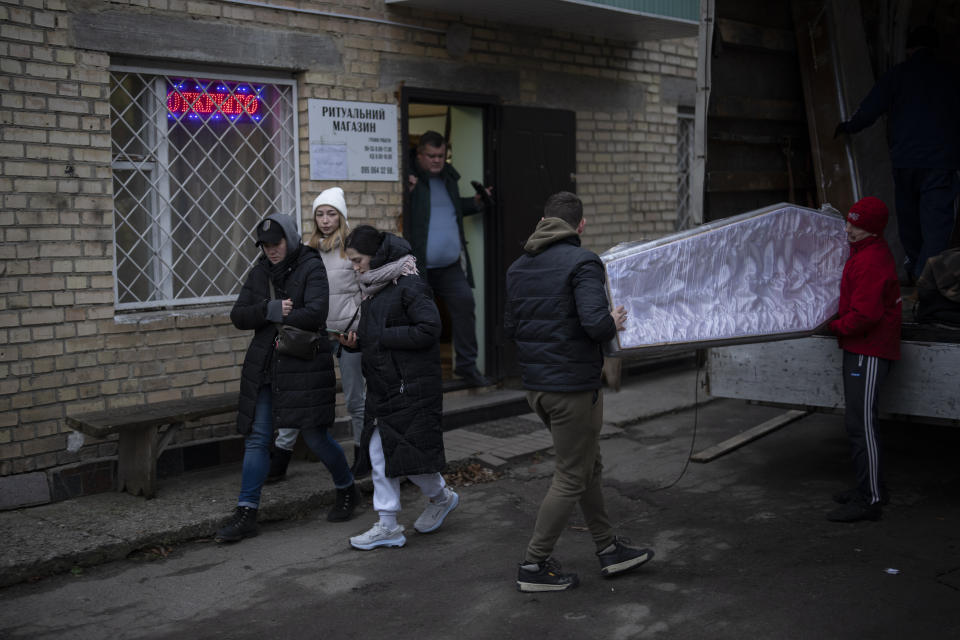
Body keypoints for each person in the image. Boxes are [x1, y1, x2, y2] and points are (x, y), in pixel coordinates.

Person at [504, 192, 654, 592]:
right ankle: (533, 566)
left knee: (589, 466)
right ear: (580, 226)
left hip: (537, 388)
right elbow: (594, 324)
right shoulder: (583, 261)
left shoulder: (518, 266)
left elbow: (509, 327)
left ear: (543, 221)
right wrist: (612, 319)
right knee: (572, 475)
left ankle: (608, 549)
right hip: (571, 388)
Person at [215, 213, 360, 543]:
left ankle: (348, 488)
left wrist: (286, 313)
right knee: (256, 437)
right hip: (266, 366)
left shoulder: (311, 265)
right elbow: (239, 315)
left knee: (315, 436)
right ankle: (247, 512)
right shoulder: (259, 272)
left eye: (276, 243)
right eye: (264, 245)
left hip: (302, 364)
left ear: (291, 239)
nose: (271, 251)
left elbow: (317, 312)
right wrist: (271, 309)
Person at [337, 225, 459, 550]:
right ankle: (397, 519)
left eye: (358, 259)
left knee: (399, 454)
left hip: (411, 387)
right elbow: (375, 336)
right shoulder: (375, 288)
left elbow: (430, 328)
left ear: (376, 256)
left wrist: (382, 338)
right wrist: (354, 344)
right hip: (385, 386)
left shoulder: (409, 284)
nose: (355, 266)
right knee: (384, 453)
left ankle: (424, 505)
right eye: (351, 261)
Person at [834, 25, 960, 283]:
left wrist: (848, 126)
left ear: (909, 50)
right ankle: (926, 286)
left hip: (905, 162)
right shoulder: (951, 76)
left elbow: (869, 109)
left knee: (910, 224)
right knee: (936, 225)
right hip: (940, 163)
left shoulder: (898, 74)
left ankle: (915, 271)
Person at [266, 187, 367, 482]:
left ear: (341, 216)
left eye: (331, 213)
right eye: (320, 214)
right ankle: (280, 457)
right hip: (314, 337)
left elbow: (365, 293)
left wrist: (359, 329)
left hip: (348, 336)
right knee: (299, 396)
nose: (325, 220)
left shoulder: (351, 248)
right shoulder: (306, 251)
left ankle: (362, 457)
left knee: (355, 400)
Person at [826, 196, 902, 523]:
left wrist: (834, 326)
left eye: (856, 225)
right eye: (848, 222)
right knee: (858, 422)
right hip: (860, 348)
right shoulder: (863, 253)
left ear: (871, 228)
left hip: (869, 351)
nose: (849, 229)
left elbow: (866, 315)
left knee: (862, 426)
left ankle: (870, 500)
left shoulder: (871, 260)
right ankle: (869, 488)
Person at [407, 130, 492, 387]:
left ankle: (467, 367)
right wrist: (406, 190)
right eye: (431, 156)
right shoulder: (411, 182)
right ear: (420, 155)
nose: (436, 160)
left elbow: (451, 209)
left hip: (451, 265)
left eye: (441, 156)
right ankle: (423, 373)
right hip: (420, 266)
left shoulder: (448, 181)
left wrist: (476, 202)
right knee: (422, 317)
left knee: (465, 305)